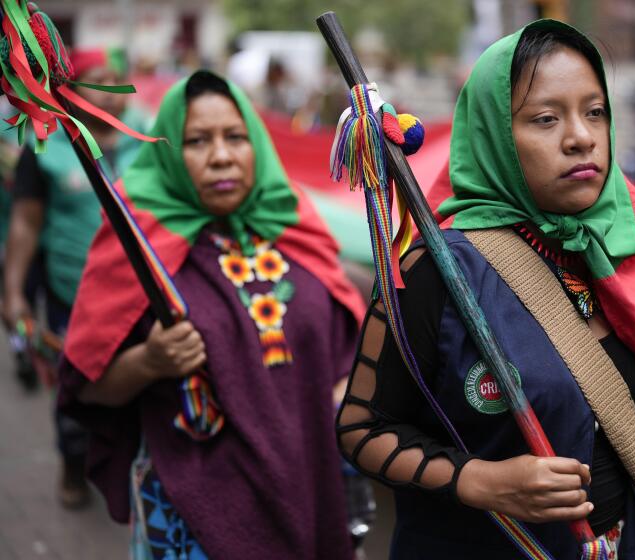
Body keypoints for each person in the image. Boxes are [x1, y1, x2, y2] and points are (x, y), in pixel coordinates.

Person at [337, 20, 635, 558]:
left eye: (595, 112)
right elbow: (362, 427)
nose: (581, 136)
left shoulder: (625, 247)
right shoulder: (436, 269)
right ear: (495, 135)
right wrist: (480, 480)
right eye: (546, 118)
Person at [57, 70, 365, 559]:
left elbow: (346, 356)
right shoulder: (135, 241)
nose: (221, 156)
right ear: (166, 151)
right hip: (194, 516)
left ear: (257, 145)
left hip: (309, 487)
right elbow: (87, 387)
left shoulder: (292, 221)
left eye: (236, 137)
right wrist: (149, 362)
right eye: (197, 140)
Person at [1, 47, 148, 509]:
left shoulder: (148, 137)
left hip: (145, 295)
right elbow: (25, 222)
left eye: (115, 80)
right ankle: (73, 462)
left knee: (143, 385)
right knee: (77, 385)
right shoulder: (45, 145)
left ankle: (135, 469)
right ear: (70, 88)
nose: (110, 92)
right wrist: (13, 293)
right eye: (96, 79)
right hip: (73, 296)